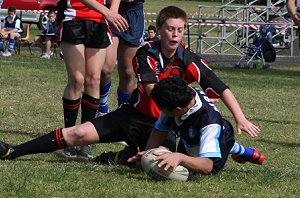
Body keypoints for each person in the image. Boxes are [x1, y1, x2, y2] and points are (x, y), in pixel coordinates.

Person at [128, 77, 265, 174]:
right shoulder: (180, 94)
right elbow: (160, 129)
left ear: (177, 110)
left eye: (162, 109)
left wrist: (180, 157)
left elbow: (207, 166)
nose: (160, 111)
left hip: (221, 133)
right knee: (190, 146)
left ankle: (240, 150)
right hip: (191, 136)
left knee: (200, 169)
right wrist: (146, 154)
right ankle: (236, 149)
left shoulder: (209, 123)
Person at [56, 0, 128, 159]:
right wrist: (107, 12)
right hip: (72, 18)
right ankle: (68, 138)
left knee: (94, 80)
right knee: (77, 78)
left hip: (99, 21)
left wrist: (113, 10)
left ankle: (84, 141)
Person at [97, 0, 145, 115]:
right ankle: (102, 107)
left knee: (128, 72)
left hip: (134, 13)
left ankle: (122, 112)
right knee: (105, 68)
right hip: (110, 11)